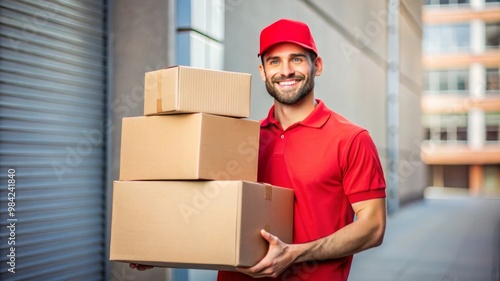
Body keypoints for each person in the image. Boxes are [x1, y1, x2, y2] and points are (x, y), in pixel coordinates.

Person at [131, 18, 386, 281]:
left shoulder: (351, 139)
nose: (286, 71)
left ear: (317, 66)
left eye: (296, 59)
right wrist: (160, 245)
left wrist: (296, 253)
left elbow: (373, 226)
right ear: (263, 71)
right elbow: (209, 206)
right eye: (274, 61)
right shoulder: (242, 140)